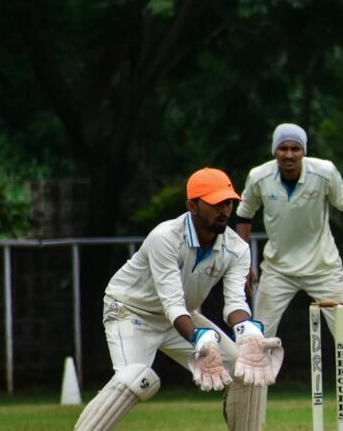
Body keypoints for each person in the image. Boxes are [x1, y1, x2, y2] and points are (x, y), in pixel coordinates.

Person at [74, 167, 283, 431]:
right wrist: (199, 337)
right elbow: (171, 302)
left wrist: (247, 332)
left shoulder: (237, 248)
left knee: (247, 371)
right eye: (216, 203)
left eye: (228, 202)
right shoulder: (165, 237)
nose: (224, 210)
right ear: (192, 206)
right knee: (135, 379)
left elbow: (235, 303)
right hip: (131, 311)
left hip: (182, 316)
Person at [235, 123, 343, 431]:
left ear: (303, 151)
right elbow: (244, 216)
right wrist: (244, 262)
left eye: (295, 149)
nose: (289, 155)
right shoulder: (258, 177)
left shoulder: (324, 172)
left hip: (323, 266)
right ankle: (249, 421)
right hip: (278, 269)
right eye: (283, 148)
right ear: (275, 151)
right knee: (256, 342)